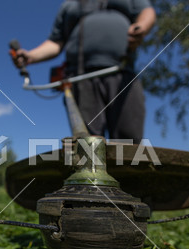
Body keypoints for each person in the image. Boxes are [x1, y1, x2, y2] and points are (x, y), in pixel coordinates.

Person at [11, 0, 156, 144]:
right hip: (80, 78)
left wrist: (141, 26)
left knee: (129, 141)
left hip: (123, 72)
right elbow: (55, 42)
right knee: (88, 142)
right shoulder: (69, 5)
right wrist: (31, 56)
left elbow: (146, 11)